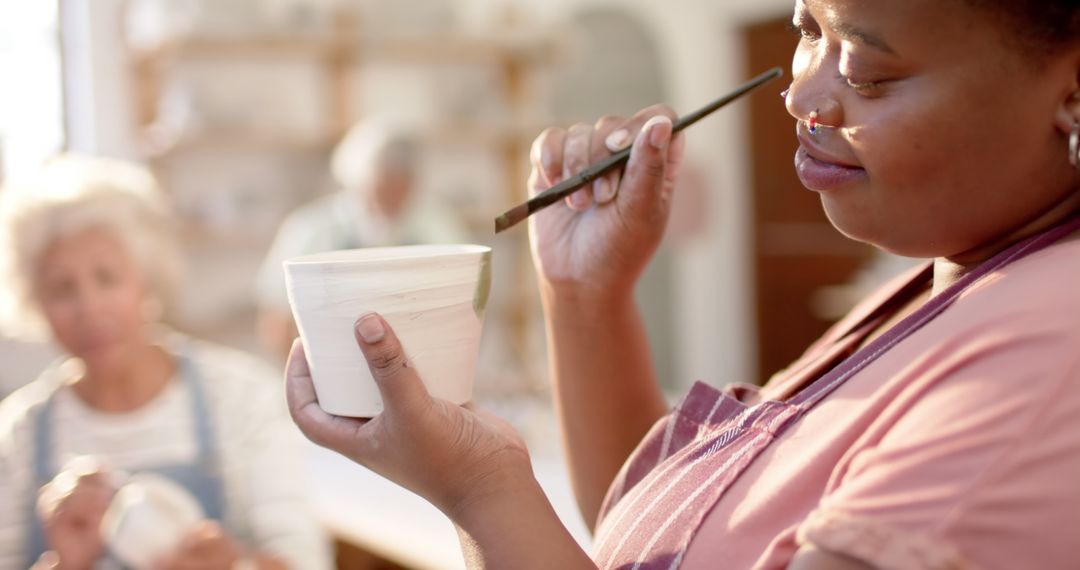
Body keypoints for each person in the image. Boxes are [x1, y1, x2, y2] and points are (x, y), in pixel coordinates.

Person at [285, 1, 1080, 568]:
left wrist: (480, 492)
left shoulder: (1042, 360)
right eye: (808, 28)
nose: (801, 94)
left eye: (867, 71)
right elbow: (649, 531)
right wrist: (585, 292)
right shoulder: (949, 278)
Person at [0, 155, 332, 570]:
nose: (88, 306)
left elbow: (307, 563)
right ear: (36, 305)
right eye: (61, 288)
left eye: (107, 277)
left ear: (148, 281)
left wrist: (237, 566)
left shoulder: (239, 397)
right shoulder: (18, 434)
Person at [256, 118, 463, 362]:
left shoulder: (437, 225)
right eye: (385, 179)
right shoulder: (310, 229)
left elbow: (462, 307)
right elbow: (276, 321)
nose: (395, 191)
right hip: (332, 367)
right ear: (358, 177)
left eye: (404, 179)